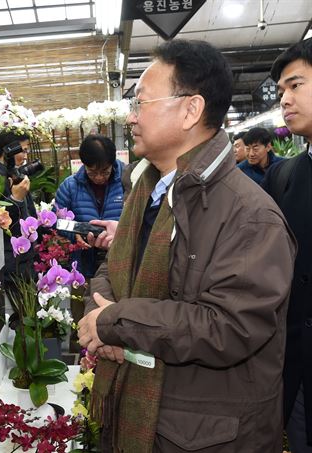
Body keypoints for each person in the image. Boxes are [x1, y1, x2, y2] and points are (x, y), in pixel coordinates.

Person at [77, 39, 295, 453]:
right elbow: (113, 269)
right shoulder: (150, 190)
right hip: (143, 411)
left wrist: (117, 323)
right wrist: (98, 320)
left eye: (141, 102)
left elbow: (228, 327)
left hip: (202, 433)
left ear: (191, 110)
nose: (131, 116)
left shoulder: (249, 215)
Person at [262, 37, 312, 453]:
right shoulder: (284, 177)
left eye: (296, 86)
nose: (285, 99)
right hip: (298, 375)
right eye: (281, 92)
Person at [55, 134, 125, 279]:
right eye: (92, 172)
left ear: (113, 163)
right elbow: (57, 221)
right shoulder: (70, 186)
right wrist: (76, 233)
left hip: (122, 261)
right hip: (83, 265)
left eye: (105, 171)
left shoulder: (128, 181)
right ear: (83, 164)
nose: (99, 177)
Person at [0, 130, 37, 295]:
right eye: (23, 150)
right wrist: (15, 199)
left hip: (23, 257)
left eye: (26, 150)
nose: (25, 155)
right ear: (8, 151)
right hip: (11, 260)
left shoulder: (14, 174)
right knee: (23, 312)